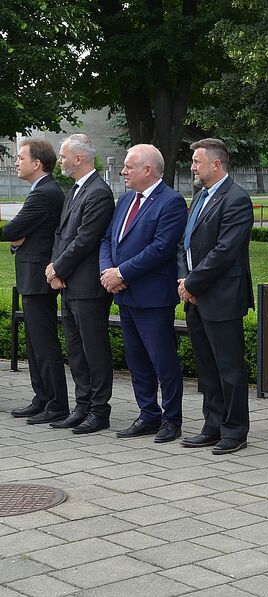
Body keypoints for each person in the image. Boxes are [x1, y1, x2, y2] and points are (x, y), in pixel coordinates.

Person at [99, 145, 188, 443]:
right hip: (124, 294)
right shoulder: (125, 199)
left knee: (162, 360)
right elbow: (108, 238)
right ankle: (147, 414)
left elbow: (161, 248)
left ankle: (171, 419)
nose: (123, 172)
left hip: (152, 297)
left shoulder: (171, 202)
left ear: (147, 170)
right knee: (136, 359)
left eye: (128, 166)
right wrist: (107, 272)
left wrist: (121, 273)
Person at [178, 138, 254, 455]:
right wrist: (185, 278)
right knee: (207, 367)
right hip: (196, 293)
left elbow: (225, 251)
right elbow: (185, 243)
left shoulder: (236, 199)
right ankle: (212, 424)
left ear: (216, 164)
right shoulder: (199, 197)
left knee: (229, 369)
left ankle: (235, 430)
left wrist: (192, 283)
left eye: (196, 162)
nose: (192, 167)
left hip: (221, 296)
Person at [47, 134, 115, 434]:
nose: (60, 161)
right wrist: (54, 269)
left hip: (88, 286)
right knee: (75, 349)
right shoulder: (75, 190)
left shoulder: (98, 192)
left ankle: (99, 411)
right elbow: (62, 235)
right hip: (70, 283)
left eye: (63, 156)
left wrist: (58, 267)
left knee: (93, 350)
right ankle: (82, 405)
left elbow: (86, 239)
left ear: (78, 158)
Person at [5, 139, 68, 424]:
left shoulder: (44, 193)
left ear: (37, 163)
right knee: (34, 342)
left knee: (43, 343)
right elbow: (18, 236)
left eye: (20, 158)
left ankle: (56, 404)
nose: (16, 162)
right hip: (32, 275)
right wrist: (18, 242)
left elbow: (15, 229)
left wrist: (16, 238)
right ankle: (42, 397)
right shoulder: (43, 191)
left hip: (39, 278)